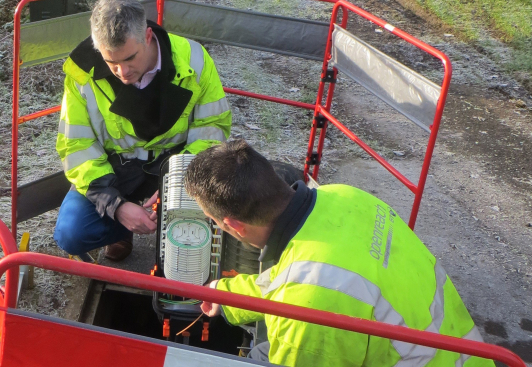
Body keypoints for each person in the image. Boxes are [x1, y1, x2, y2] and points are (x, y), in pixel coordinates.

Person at [185, 139, 492, 367]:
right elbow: (301, 278)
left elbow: (309, 289)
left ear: (234, 226)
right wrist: (226, 295)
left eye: (215, 222)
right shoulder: (343, 196)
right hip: (465, 354)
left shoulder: (307, 310)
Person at [54, 0, 231, 261]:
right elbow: (76, 145)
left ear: (148, 36)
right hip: (113, 170)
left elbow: (212, 127)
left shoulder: (194, 59)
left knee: (218, 214)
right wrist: (117, 207)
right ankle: (123, 229)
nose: (122, 72)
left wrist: (180, 181)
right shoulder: (81, 72)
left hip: (175, 165)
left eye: (130, 58)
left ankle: (172, 227)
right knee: (71, 234)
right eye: (111, 62)